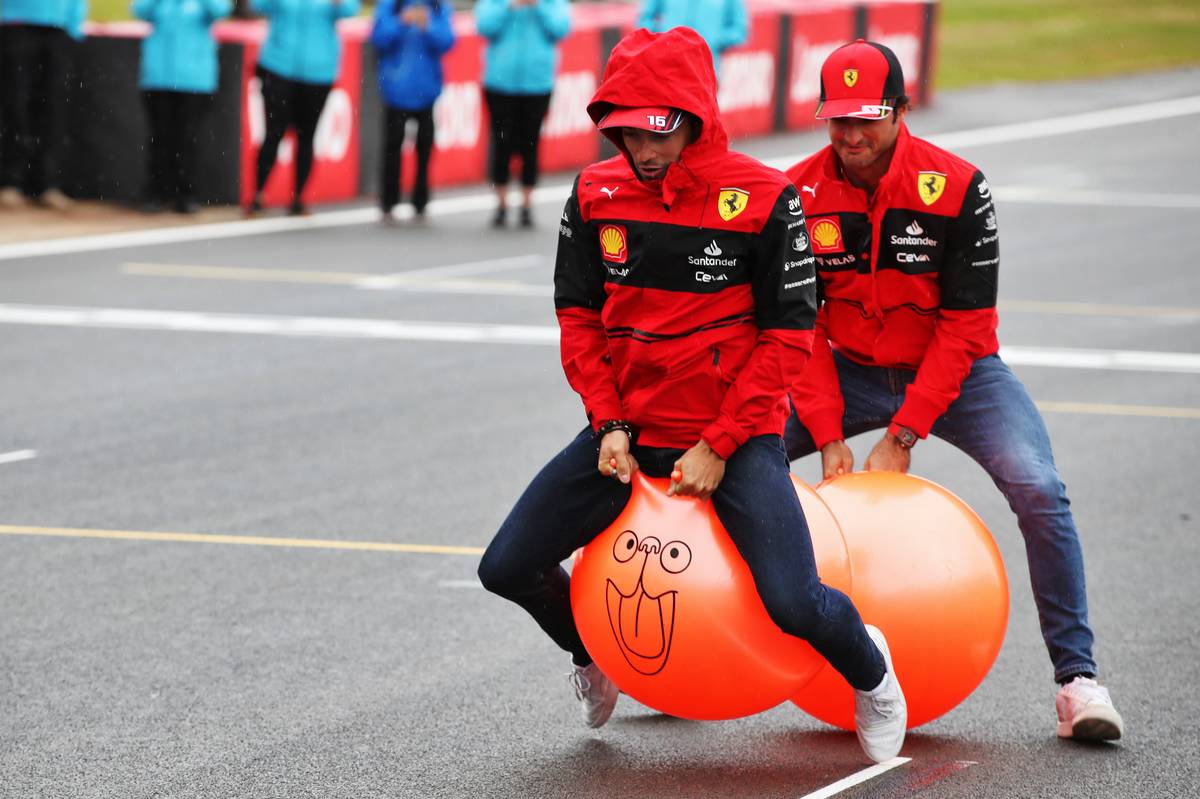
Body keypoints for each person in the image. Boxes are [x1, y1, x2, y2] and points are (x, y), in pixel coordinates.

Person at [477, 27, 906, 763]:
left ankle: (873, 673)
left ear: (695, 114)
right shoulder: (594, 193)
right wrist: (607, 421)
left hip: (734, 436)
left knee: (793, 601)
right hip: (628, 430)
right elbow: (579, 316)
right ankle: (593, 655)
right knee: (505, 565)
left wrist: (722, 442)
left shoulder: (766, 198)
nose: (642, 150)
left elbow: (789, 335)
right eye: (626, 131)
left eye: (659, 129)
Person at [784, 39, 1125, 742]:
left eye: (867, 119)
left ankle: (1077, 681)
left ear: (903, 111)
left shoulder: (960, 186)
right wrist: (824, 434)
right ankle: (688, 649)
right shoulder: (796, 194)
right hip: (842, 366)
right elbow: (801, 328)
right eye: (836, 120)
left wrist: (903, 433)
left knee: (1039, 486)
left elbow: (967, 327)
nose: (849, 137)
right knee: (729, 451)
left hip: (957, 371)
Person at [246, 0, 360, 217]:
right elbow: (258, 5)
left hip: (319, 70)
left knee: (307, 135)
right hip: (278, 65)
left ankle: (298, 197)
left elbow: (349, 9)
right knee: (273, 132)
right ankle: (258, 194)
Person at [474, 0, 569, 229]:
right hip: (500, 81)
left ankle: (527, 203)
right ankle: (501, 203)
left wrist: (538, 6)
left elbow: (561, 28)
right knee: (501, 141)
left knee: (531, 142)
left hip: (537, 82)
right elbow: (484, 27)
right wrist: (509, 5)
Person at [133, 0, 232, 214]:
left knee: (188, 137)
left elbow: (220, 11)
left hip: (195, 80)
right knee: (160, 137)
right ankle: (156, 192)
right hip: (158, 78)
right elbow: (140, 10)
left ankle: (185, 193)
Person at [371, 0, 455, 222]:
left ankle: (421, 200)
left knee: (425, 148)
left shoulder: (437, 5)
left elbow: (447, 41)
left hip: (426, 91)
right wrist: (401, 21)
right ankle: (388, 200)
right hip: (395, 91)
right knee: (392, 147)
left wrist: (428, 25)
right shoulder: (392, 5)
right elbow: (379, 38)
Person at [0, 0, 88, 211]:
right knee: (15, 107)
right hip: (16, 26)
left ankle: (47, 183)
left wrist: (73, 28)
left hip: (58, 30)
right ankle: (11, 181)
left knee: (54, 109)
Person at [636, 0, 746, 75]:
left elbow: (740, 31)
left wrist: (714, 40)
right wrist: (663, 35)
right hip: (666, 70)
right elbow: (644, 20)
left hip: (706, 74)